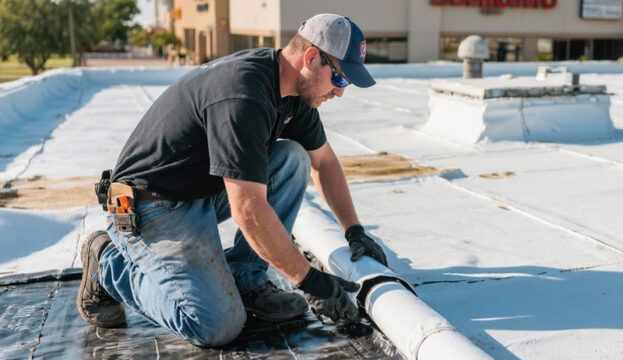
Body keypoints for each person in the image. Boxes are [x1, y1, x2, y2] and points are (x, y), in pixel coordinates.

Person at [75, 13, 389, 347]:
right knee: (216, 325)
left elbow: (323, 162)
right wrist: (309, 280)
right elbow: (248, 209)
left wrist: (353, 230)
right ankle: (107, 262)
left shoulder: (294, 94)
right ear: (312, 57)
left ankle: (246, 279)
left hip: (199, 191)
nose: (340, 93)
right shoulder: (244, 94)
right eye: (340, 80)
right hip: (151, 206)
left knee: (293, 158)